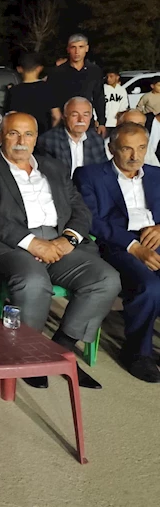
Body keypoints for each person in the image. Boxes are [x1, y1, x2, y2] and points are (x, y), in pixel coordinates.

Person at [0, 112, 120, 390]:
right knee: (33, 282)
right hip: (15, 246)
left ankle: (61, 349)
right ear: (1, 136)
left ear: (36, 138)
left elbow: (80, 209)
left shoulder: (54, 167)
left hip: (60, 243)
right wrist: (32, 243)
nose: (21, 141)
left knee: (106, 279)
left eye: (28, 134)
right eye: (13, 133)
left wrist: (68, 239)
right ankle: (28, 353)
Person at [75, 123, 160, 382]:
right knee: (149, 286)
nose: (135, 156)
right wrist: (133, 246)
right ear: (111, 148)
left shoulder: (157, 174)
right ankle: (137, 353)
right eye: (127, 149)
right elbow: (91, 219)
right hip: (118, 243)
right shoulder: (89, 175)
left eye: (141, 148)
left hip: (155, 236)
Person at [48, 34, 106, 133]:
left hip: (87, 124)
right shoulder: (57, 72)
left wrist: (101, 122)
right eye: (73, 47)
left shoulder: (94, 71)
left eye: (81, 47)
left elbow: (99, 97)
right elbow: (51, 98)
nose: (77, 51)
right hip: (63, 125)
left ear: (86, 48)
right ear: (68, 49)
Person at [36, 97, 106, 178]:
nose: (81, 120)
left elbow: (103, 171)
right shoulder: (48, 140)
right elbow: (50, 177)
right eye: (75, 115)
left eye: (86, 115)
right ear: (64, 116)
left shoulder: (96, 140)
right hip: (61, 185)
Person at [4, 52, 55, 132]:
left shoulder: (14, 91)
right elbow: (56, 116)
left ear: (19, 69)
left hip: (23, 135)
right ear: (39, 68)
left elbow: (11, 116)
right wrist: (51, 133)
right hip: (45, 133)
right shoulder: (48, 88)